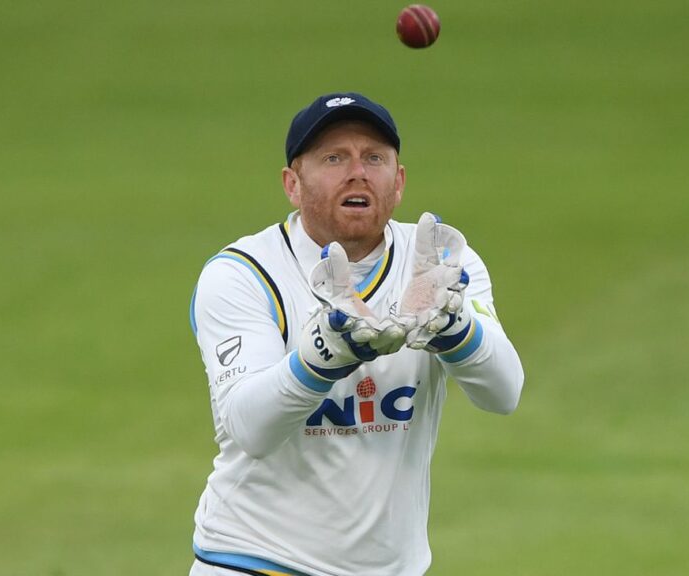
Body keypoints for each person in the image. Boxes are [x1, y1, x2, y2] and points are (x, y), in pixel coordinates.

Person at [188, 92, 524, 576]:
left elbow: (504, 393)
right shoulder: (244, 274)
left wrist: (455, 329)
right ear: (292, 183)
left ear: (399, 181)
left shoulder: (439, 260)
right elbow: (251, 428)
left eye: (374, 158)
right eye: (333, 158)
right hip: (254, 561)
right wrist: (324, 355)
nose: (357, 172)